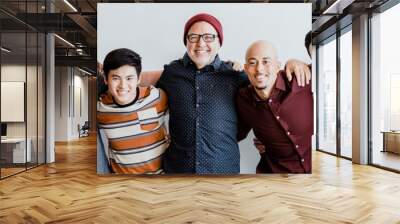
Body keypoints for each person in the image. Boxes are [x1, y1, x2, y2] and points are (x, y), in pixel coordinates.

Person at [141, 13, 311, 174]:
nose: (201, 43)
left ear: (219, 42)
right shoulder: (171, 73)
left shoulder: (236, 76)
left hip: (224, 171)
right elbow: (132, 83)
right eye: (193, 37)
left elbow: (266, 85)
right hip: (177, 171)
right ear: (186, 41)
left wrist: (295, 62)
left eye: (209, 37)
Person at [237, 40, 313, 173]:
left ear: (278, 66)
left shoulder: (303, 79)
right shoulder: (243, 100)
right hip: (275, 180)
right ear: (246, 69)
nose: (259, 69)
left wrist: (299, 62)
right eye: (252, 63)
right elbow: (232, 134)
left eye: (266, 62)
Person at [97, 48, 169, 174]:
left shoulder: (156, 97)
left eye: (129, 78)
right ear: (105, 79)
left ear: (139, 78)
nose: (123, 85)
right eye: (115, 78)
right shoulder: (101, 109)